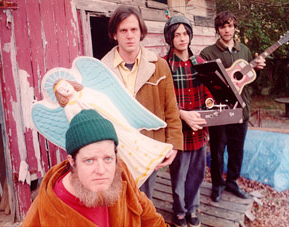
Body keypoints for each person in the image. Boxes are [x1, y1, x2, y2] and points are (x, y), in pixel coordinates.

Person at [22, 109, 169, 226]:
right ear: (72, 162)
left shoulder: (121, 174)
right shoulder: (46, 210)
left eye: (108, 159)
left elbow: (151, 219)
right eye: (89, 161)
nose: (101, 170)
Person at [102, 5, 183, 200]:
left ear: (141, 32)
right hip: (116, 151)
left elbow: (170, 109)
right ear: (114, 34)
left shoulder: (159, 66)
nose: (129, 35)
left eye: (134, 29)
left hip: (149, 148)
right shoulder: (101, 70)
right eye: (123, 30)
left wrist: (174, 144)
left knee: (143, 202)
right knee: (117, 204)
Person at [53, 79, 173, 187]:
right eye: (61, 90)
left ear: (71, 83)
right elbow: (76, 125)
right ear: (60, 95)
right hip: (97, 135)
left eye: (65, 85)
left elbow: (103, 101)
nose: (65, 89)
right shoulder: (69, 107)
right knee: (117, 153)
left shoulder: (87, 92)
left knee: (129, 140)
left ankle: (148, 157)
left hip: (111, 122)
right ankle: (131, 173)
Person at [200, 11, 266, 202]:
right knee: (218, 150)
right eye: (222, 26)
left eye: (230, 26)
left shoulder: (244, 50)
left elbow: (248, 79)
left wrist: (258, 70)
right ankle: (217, 185)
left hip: (242, 109)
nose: (227, 30)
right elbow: (206, 82)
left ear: (235, 27)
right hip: (220, 111)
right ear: (218, 29)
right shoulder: (208, 53)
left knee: (237, 149)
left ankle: (232, 182)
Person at [163, 15, 213, 227]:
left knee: (197, 174)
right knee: (179, 174)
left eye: (185, 33)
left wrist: (210, 105)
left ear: (190, 36)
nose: (182, 38)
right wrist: (181, 113)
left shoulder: (201, 63)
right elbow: (162, 101)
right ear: (170, 38)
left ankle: (192, 208)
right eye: (177, 34)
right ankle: (180, 210)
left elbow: (210, 93)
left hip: (199, 129)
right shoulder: (164, 65)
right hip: (178, 130)